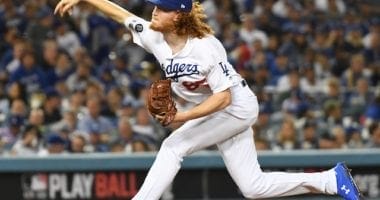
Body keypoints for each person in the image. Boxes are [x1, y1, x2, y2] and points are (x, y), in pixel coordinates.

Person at [54, 0, 360, 199]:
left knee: (173, 146)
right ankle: (330, 180)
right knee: (253, 187)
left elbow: (223, 98)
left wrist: (181, 118)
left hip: (235, 106)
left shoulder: (205, 48)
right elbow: (120, 13)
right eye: (155, 6)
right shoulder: (153, 35)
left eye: (162, 8)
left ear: (179, 17)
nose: (154, 11)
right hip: (216, 112)